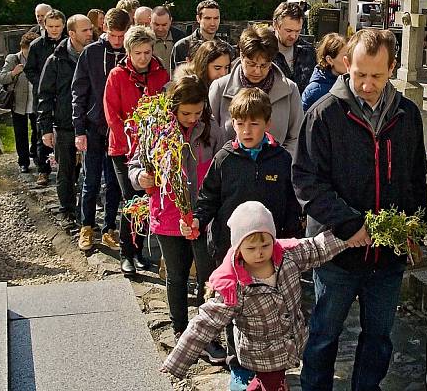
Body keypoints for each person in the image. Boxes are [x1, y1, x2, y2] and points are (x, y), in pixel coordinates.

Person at [292, 28, 427, 391]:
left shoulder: (406, 115)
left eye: (377, 76)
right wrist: (348, 224)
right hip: (338, 252)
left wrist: (415, 228)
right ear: (346, 66)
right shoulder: (324, 115)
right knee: (324, 334)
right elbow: (306, 181)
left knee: (379, 337)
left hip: (387, 256)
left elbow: (416, 177)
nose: (367, 85)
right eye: (359, 74)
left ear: (392, 69)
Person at [163, 201, 349, 390]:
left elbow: (317, 247)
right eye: (251, 248)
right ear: (238, 247)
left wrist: (351, 236)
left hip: (289, 343)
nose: (260, 253)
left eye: (266, 245)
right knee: (271, 384)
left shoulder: (288, 256)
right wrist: (177, 361)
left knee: (271, 383)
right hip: (261, 353)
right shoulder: (235, 285)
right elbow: (204, 324)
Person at [186, 87, 302, 386]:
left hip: (267, 253)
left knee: (267, 311)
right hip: (231, 253)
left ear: (267, 123)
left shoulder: (279, 159)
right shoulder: (225, 158)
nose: (246, 130)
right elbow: (208, 196)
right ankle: (237, 362)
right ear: (232, 124)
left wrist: (290, 238)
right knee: (232, 307)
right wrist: (199, 219)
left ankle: (272, 367)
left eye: (253, 124)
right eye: (240, 124)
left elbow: (289, 203)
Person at [128, 74, 227, 362]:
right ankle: (180, 329)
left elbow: (223, 166)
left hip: (203, 216)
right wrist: (140, 177)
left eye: (197, 113)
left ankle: (206, 334)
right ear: (173, 108)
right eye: (186, 113)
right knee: (177, 274)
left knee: (207, 276)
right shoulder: (156, 130)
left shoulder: (213, 131)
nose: (192, 118)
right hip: (169, 214)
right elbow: (136, 164)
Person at [103, 25, 170, 275]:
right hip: (124, 148)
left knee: (146, 198)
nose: (143, 58)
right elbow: (112, 114)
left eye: (147, 52)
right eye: (138, 53)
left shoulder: (159, 72)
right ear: (129, 51)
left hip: (152, 148)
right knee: (131, 198)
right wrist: (131, 143)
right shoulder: (117, 75)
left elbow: (165, 107)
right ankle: (126, 252)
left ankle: (139, 250)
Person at [72, 8, 130, 252]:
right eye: (113, 35)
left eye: (121, 36)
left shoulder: (131, 53)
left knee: (115, 183)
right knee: (91, 180)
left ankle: (109, 228)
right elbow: (79, 92)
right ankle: (86, 227)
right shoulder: (91, 53)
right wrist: (79, 129)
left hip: (120, 128)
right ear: (104, 28)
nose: (117, 41)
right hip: (94, 126)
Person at [210, 25, 303, 154]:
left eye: (264, 65)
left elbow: (296, 137)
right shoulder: (220, 88)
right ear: (241, 56)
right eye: (251, 64)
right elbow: (210, 137)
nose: (257, 71)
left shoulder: (290, 90)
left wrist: (279, 161)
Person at [37, 15, 94, 223]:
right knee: (66, 171)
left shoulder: (94, 56)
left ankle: (87, 213)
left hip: (90, 123)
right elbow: (45, 95)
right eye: (85, 30)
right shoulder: (56, 60)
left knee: (90, 173)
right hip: (65, 124)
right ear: (72, 33)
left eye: (90, 29)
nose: (90, 33)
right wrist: (45, 128)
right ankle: (67, 210)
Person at [26, 8, 68, 187]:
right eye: (51, 26)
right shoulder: (36, 45)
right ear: (44, 25)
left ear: (63, 26)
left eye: (58, 26)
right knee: (42, 132)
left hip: (65, 94)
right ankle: (43, 169)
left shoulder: (69, 43)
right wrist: (43, 83)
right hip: (44, 96)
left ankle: (69, 170)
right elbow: (30, 69)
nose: (54, 30)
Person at [0, 31, 40, 173]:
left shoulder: (40, 58)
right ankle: (23, 161)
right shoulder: (13, 59)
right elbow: (1, 78)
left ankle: (35, 154)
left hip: (36, 102)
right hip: (18, 102)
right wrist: (13, 73)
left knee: (38, 131)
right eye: (26, 52)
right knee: (20, 133)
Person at [271, 2, 316, 93]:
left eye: (298, 31)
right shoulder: (264, 51)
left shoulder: (309, 51)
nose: (293, 36)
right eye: (288, 31)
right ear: (275, 25)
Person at [171, 0, 223, 71]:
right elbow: (176, 79)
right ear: (198, 19)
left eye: (216, 18)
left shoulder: (225, 48)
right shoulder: (182, 46)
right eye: (208, 18)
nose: (213, 23)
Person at [301, 33, 346, 112]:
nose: (350, 60)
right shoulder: (314, 91)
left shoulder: (353, 83)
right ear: (330, 60)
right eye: (344, 57)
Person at [150, 5, 186, 73]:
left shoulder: (180, 37)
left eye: (164, 25)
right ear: (150, 21)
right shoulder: (144, 39)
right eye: (156, 25)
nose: (160, 29)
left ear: (170, 21)